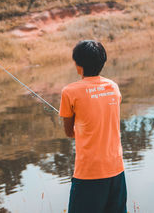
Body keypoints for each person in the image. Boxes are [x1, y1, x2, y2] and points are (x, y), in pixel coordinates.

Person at [59, 40, 127, 213]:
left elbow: (69, 132)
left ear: (78, 65)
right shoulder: (113, 87)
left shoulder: (70, 91)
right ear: (102, 62)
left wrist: (78, 129)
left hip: (89, 174)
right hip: (116, 170)